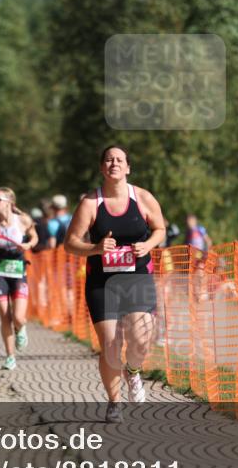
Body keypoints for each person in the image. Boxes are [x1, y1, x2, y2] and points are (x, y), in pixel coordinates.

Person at [64, 146, 166, 423]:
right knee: (110, 343)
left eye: (119, 160)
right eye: (109, 160)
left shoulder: (143, 198)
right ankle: (114, 402)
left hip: (136, 279)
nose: (114, 163)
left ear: (128, 167)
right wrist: (95, 248)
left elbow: (160, 229)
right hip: (102, 282)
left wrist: (148, 244)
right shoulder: (89, 203)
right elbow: (70, 243)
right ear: (101, 168)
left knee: (140, 339)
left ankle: (132, 371)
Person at [0, 187, 37, 370]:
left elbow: (34, 237)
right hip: (0, 273)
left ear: (9, 202)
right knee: (5, 317)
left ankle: (21, 328)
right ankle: (10, 357)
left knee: (18, 317)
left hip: (18, 272)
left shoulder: (22, 220)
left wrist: (28, 244)